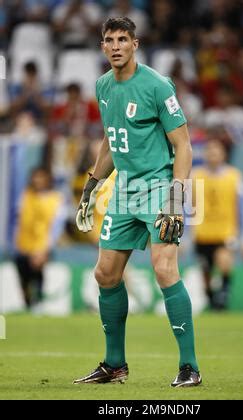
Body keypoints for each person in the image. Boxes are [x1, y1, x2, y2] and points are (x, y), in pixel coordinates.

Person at [73, 17, 201, 387]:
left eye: (122, 39)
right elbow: (112, 140)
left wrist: (176, 198)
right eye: (109, 40)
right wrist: (93, 183)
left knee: (164, 270)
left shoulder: (158, 86)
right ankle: (114, 365)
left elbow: (184, 145)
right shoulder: (102, 86)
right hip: (124, 191)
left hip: (161, 187)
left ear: (135, 44)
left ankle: (189, 367)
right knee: (105, 274)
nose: (115, 46)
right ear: (102, 46)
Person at [192, 139, 243, 310]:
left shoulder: (235, 176)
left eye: (216, 152)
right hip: (202, 233)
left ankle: (224, 295)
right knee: (206, 274)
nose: (213, 155)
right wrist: (185, 234)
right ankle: (211, 297)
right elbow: (188, 206)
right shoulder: (196, 176)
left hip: (225, 233)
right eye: (209, 152)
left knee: (224, 262)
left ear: (223, 155)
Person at [14, 167, 66, 309]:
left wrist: (46, 247)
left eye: (41, 177)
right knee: (23, 277)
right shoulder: (26, 195)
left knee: (37, 272)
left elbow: (57, 225)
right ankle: (28, 305)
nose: (38, 180)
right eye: (36, 177)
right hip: (23, 244)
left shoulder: (55, 198)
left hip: (42, 244)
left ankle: (38, 303)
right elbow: (19, 219)